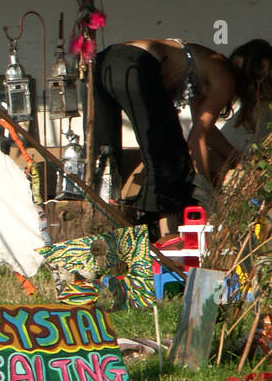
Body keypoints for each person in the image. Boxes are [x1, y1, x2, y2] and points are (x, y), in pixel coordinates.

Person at [92, 38, 272, 236]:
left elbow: (205, 130)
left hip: (103, 62)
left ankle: (99, 226)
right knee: (170, 156)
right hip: (135, 63)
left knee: (105, 156)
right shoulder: (226, 79)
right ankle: (165, 237)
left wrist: (239, 160)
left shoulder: (210, 66)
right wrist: (206, 190)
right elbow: (197, 139)